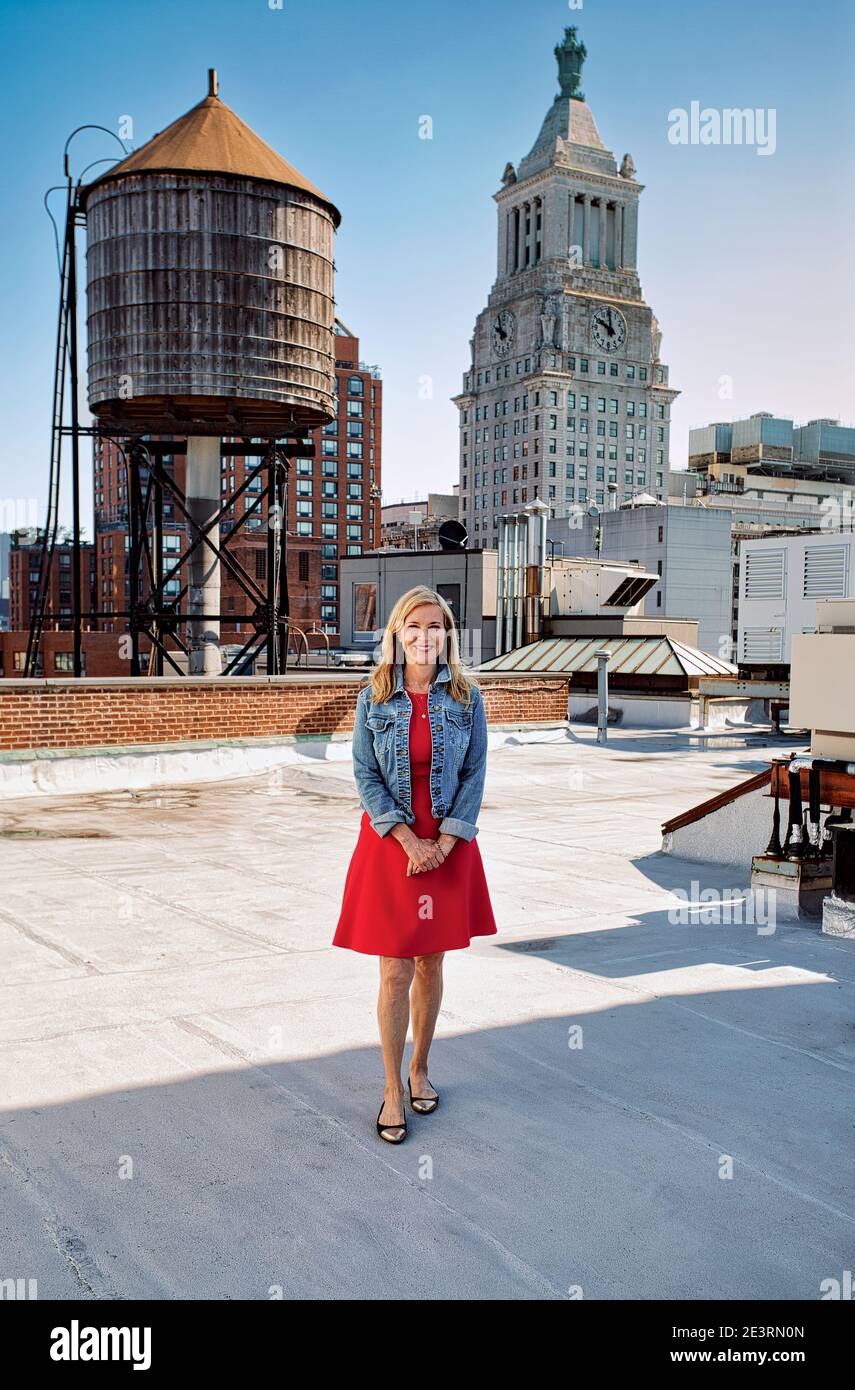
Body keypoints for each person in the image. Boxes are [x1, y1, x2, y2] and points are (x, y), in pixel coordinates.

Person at [332, 585, 497, 1143]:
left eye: (435, 627)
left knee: (431, 963)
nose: (424, 638)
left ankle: (421, 1068)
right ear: (397, 636)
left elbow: (475, 775)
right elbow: (364, 775)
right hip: (391, 844)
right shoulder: (374, 696)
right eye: (413, 628)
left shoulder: (467, 697)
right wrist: (408, 840)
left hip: (448, 845)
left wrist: (445, 844)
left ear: (448, 634)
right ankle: (390, 1088)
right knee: (394, 968)